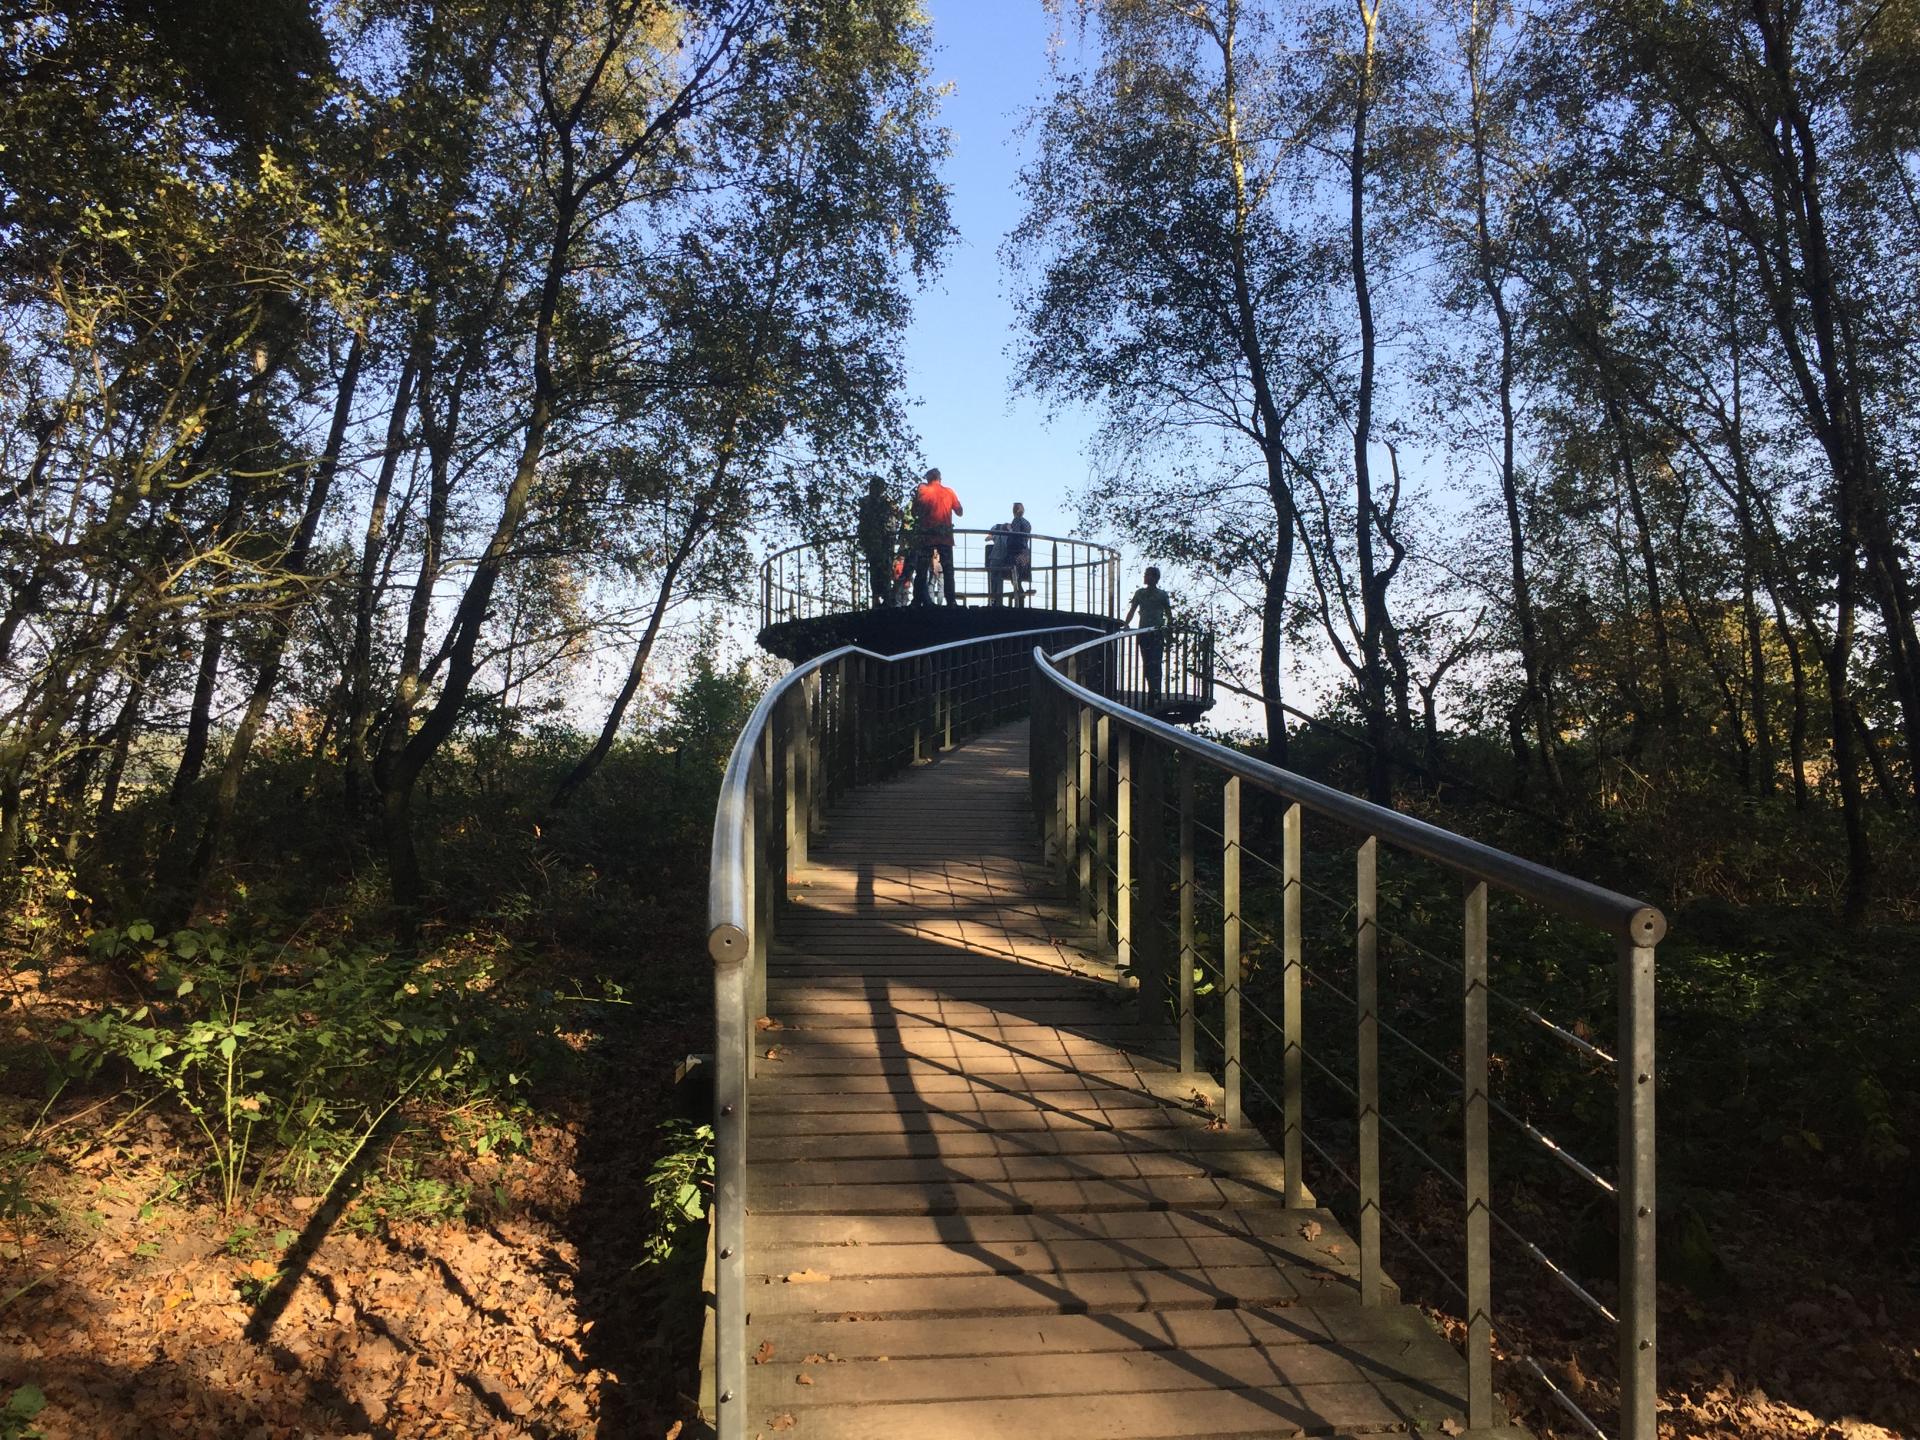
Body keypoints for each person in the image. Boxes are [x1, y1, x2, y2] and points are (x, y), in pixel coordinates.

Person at [907, 467, 962, 607]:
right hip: (945, 537)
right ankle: (951, 601)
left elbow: (914, 512)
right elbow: (960, 511)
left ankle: (916, 600)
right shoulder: (949, 492)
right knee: (948, 569)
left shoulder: (922, 490)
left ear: (927, 478)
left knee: (922, 569)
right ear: (939, 478)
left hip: (926, 537)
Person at [1122, 565, 1173, 706]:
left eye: (1148, 575)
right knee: (1147, 662)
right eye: (1145, 574)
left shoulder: (1162, 595)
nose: (1145, 577)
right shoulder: (1140, 593)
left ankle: (1155, 690)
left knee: (1156, 661)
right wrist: (1126, 624)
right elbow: (1132, 610)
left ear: (1155, 578)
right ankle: (1151, 690)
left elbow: (1169, 614)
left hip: (1157, 633)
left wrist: (1169, 631)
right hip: (1143, 632)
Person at [856, 475, 901, 607]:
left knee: (880, 570)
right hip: (879, 542)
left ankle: (881, 597)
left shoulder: (870, 502)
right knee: (880, 570)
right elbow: (898, 515)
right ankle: (881, 597)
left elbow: (898, 515)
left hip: (880, 542)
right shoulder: (878, 502)